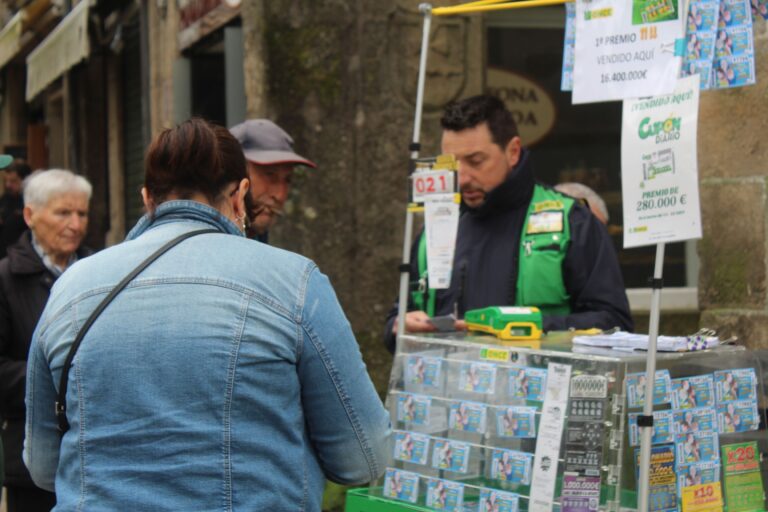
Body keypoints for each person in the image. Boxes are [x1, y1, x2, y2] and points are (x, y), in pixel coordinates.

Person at [23, 119, 390, 510]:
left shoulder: (71, 286)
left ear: (147, 199)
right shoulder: (295, 282)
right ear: (240, 195)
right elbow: (363, 457)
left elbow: (43, 466)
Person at [383, 95, 632, 353]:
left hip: (539, 377)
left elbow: (615, 325)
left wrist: (526, 328)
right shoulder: (437, 227)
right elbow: (397, 318)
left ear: (513, 151)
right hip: (447, 378)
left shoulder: (573, 221)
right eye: (451, 164)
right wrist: (398, 326)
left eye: (476, 161)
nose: (462, 178)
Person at [0, 168, 92, 512]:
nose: (75, 224)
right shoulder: (6, 279)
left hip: (89, 453)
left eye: (82, 213)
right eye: (63, 213)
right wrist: (60, 378)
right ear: (30, 215)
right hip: (29, 455)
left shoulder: (97, 271)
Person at [229, 119, 316, 242]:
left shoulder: (256, 236)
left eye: (288, 179)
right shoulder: (206, 241)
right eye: (269, 175)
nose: (280, 196)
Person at [0, 158, 32, 258]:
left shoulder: (31, 201)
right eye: (6, 181)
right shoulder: (5, 198)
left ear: (25, 180)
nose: (8, 185)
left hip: (23, 256)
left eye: (13, 181)